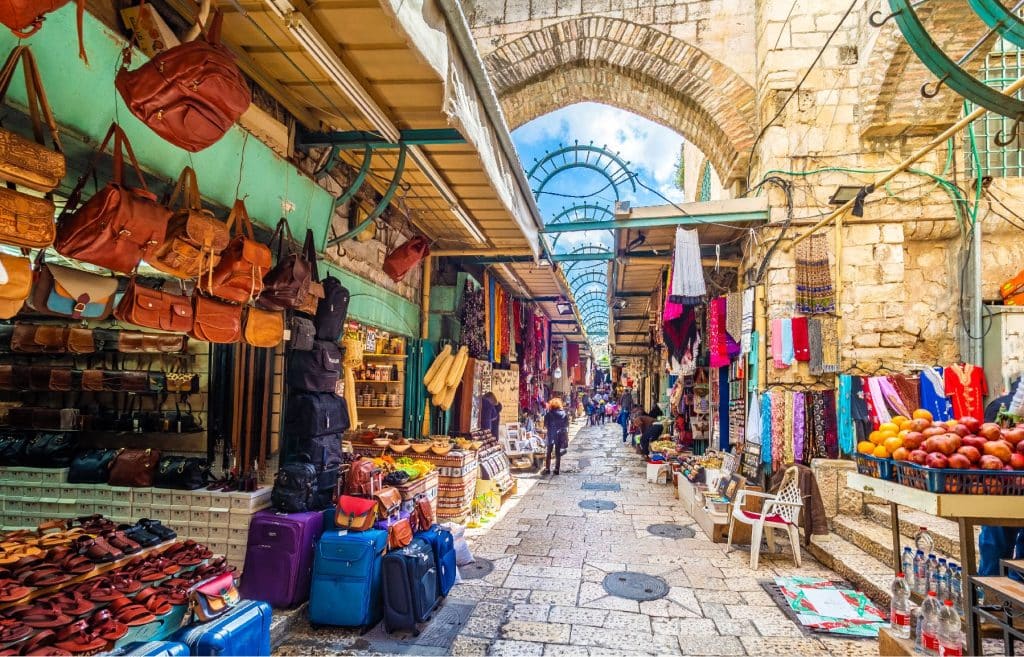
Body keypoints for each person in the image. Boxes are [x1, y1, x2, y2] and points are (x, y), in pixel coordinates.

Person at [542, 398, 569, 475]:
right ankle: (557, 469)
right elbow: (566, 425)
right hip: (560, 435)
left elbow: (545, 425)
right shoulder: (564, 413)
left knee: (549, 452)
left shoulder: (548, 414)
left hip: (551, 435)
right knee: (557, 452)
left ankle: (547, 469)